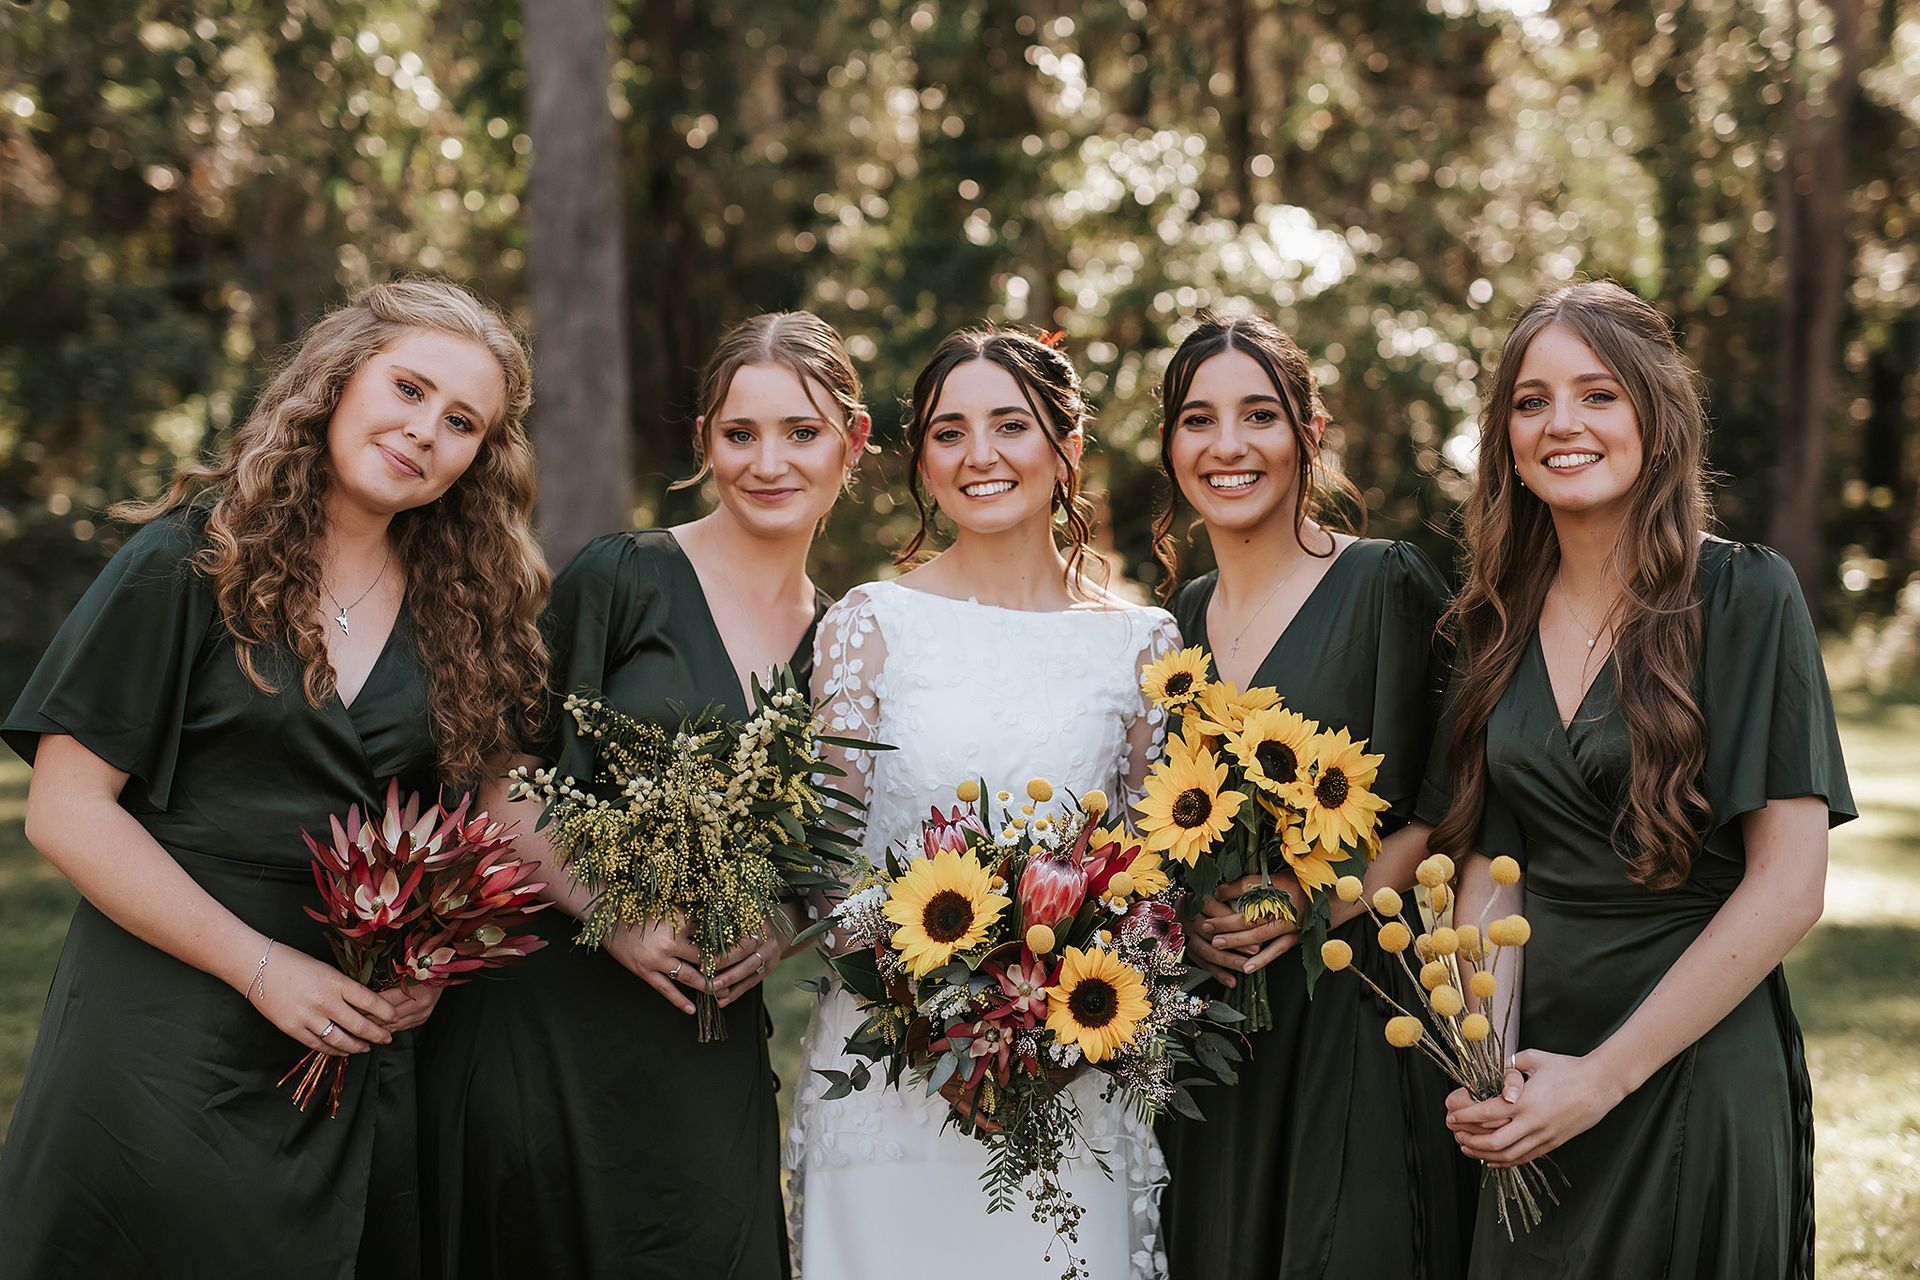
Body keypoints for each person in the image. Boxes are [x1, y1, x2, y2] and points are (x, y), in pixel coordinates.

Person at [0, 278, 547, 1278]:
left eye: (462, 420)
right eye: (410, 388)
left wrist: (427, 956)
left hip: (354, 1056)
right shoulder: (188, 563)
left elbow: (477, 813)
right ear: (339, 380)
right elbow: (67, 812)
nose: (426, 431)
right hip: (162, 1045)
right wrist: (260, 966)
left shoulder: (466, 611)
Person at [418, 310, 870, 1279]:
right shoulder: (621, 577)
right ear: (704, 439)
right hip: (546, 1014)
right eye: (739, 432)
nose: (768, 460)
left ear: (852, 440)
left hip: (701, 1034)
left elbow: (823, 843)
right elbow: (503, 774)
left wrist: (777, 922)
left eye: (800, 430)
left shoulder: (845, 643)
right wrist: (613, 912)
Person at [1424, 280, 1853, 1278]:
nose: (1560, 423)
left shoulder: (1746, 595)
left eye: (1597, 394)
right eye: (1531, 402)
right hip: (1535, 1081)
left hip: (1692, 1063)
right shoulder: (1489, 623)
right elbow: (1495, 854)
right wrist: (1487, 1051)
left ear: (1656, 420)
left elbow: (1790, 886)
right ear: (1506, 438)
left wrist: (1605, 1078)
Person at [784, 327, 1180, 1279]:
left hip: (1071, 1074)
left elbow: (1150, 874)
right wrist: (941, 1007)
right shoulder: (870, 625)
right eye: (949, 433)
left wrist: (1043, 1014)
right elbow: (821, 866)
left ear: (1068, 448)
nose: (980, 456)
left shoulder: (1142, 643)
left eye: (1011, 425)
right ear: (921, 458)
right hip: (891, 1074)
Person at [1149, 310, 1468, 1278]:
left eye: (1260, 414)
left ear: (1310, 432)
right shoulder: (1175, 623)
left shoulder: (1386, 584)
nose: (1229, 445)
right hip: (1212, 1026)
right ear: (1171, 444)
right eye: (1199, 419)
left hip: (1353, 1004)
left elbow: (1443, 800)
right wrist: (1180, 925)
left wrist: (1313, 898)